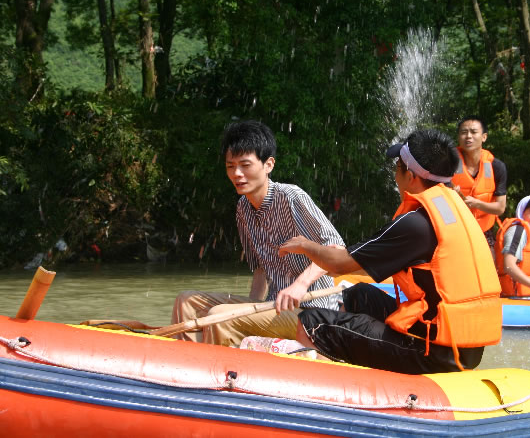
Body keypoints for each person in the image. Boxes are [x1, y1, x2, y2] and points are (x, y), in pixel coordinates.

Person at [278, 129, 502, 375]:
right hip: (461, 345)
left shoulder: (416, 223)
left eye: (398, 165)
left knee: (311, 323)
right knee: (360, 294)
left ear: (412, 176)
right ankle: (345, 354)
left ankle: (329, 389)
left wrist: (304, 245)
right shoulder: (454, 209)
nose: (395, 173)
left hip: (434, 352)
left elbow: (339, 264)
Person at [170, 120, 344, 346]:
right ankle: (186, 364)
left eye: (245, 165)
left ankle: (220, 373)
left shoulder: (291, 197)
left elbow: (337, 247)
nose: (237, 174)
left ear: (268, 165)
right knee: (186, 301)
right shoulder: (243, 208)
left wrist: (300, 284)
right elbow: (260, 270)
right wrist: (250, 310)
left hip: (312, 312)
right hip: (273, 307)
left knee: (217, 316)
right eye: (230, 166)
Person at [451, 116, 507, 256]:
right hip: (455, 230)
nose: (468, 136)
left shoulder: (496, 166)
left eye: (473, 132)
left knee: (488, 269)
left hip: (484, 230)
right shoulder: (448, 164)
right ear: (459, 137)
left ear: (484, 137)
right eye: (464, 132)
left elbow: (500, 208)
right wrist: (449, 194)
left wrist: (476, 203)